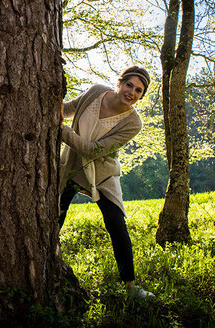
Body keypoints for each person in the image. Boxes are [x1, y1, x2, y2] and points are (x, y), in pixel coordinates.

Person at [59, 65, 154, 299]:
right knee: (54, 216)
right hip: (71, 167)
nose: (132, 92)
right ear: (119, 82)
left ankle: (131, 287)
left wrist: (59, 130)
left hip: (102, 173)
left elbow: (94, 151)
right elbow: (66, 110)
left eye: (139, 90)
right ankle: (43, 266)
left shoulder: (133, 123)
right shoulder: (95, 91)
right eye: (129, 84)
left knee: (116, 223)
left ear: (141, 96)